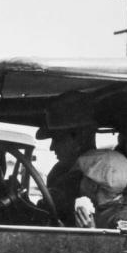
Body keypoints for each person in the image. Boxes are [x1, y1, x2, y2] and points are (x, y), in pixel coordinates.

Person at [37, 96, 96, 225]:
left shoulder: (100, 175)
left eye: (58, 139)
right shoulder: (59, 171)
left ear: (79, 139)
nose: (52, 147)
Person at [73, 149, 127, 229]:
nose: (80, 183)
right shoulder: (99, 209)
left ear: (93, 185)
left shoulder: (124, 219)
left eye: (84, 178)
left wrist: (91, 232)